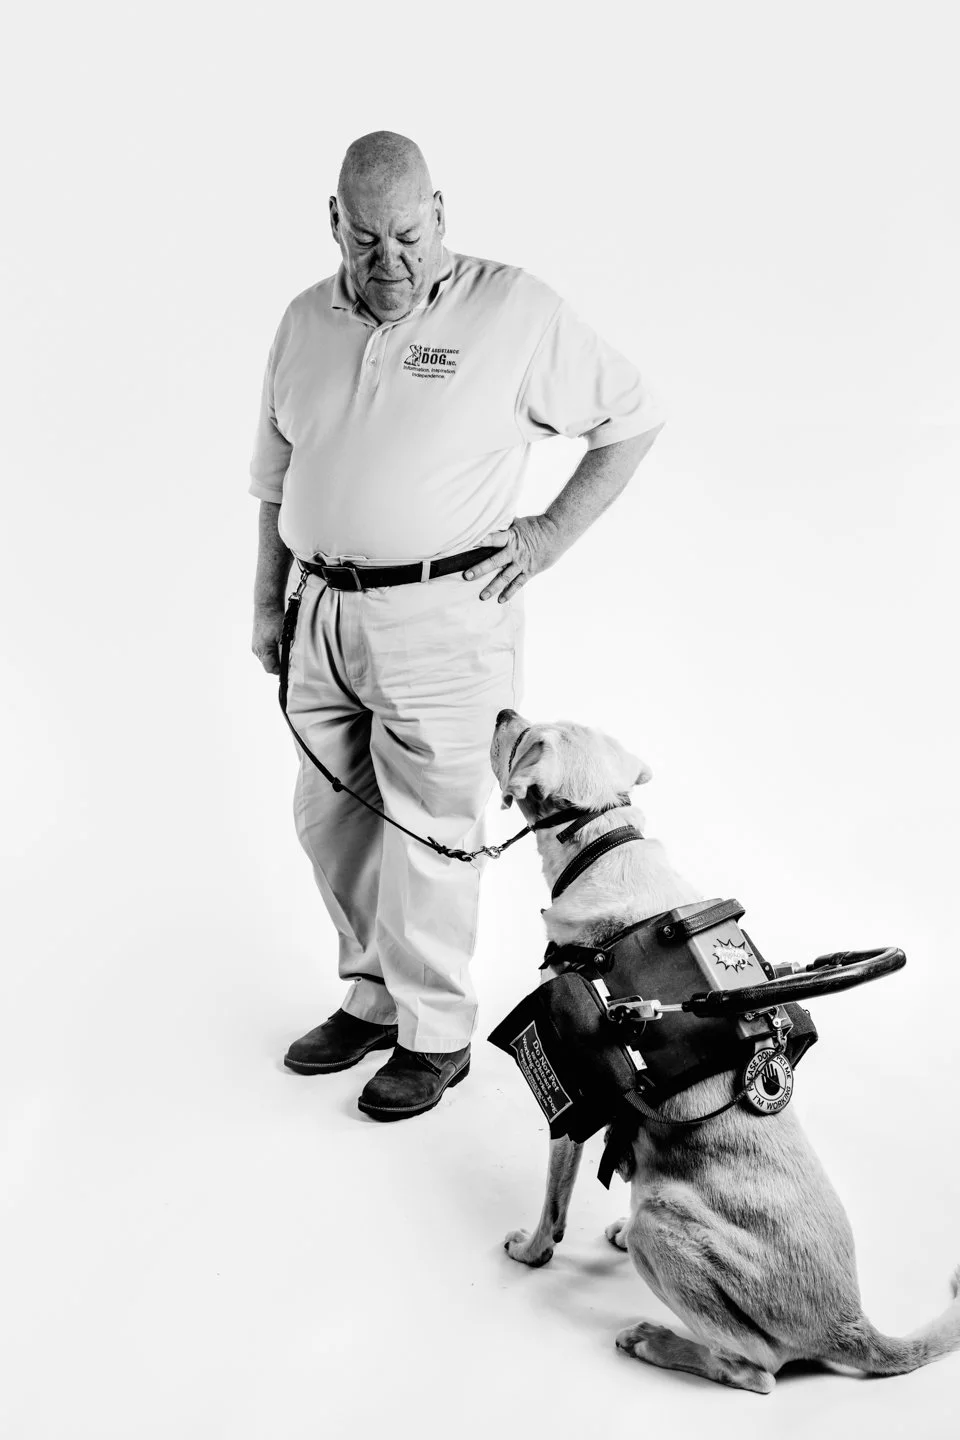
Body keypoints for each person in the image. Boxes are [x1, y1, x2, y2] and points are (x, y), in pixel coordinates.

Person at [249, 130, 664, 1121]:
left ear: (439, 213)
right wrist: (266, 599)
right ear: (334, 223)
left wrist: (548, 535)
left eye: (408, 236)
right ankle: (372, 998)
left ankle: (434, 1035)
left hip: (444, 620)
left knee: (431, 833)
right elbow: (273, 478)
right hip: (318, 610)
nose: (389, 261)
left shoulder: (513, 309)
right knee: (330, 821)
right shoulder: (303, 320)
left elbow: (633, 415)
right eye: (366, 240)